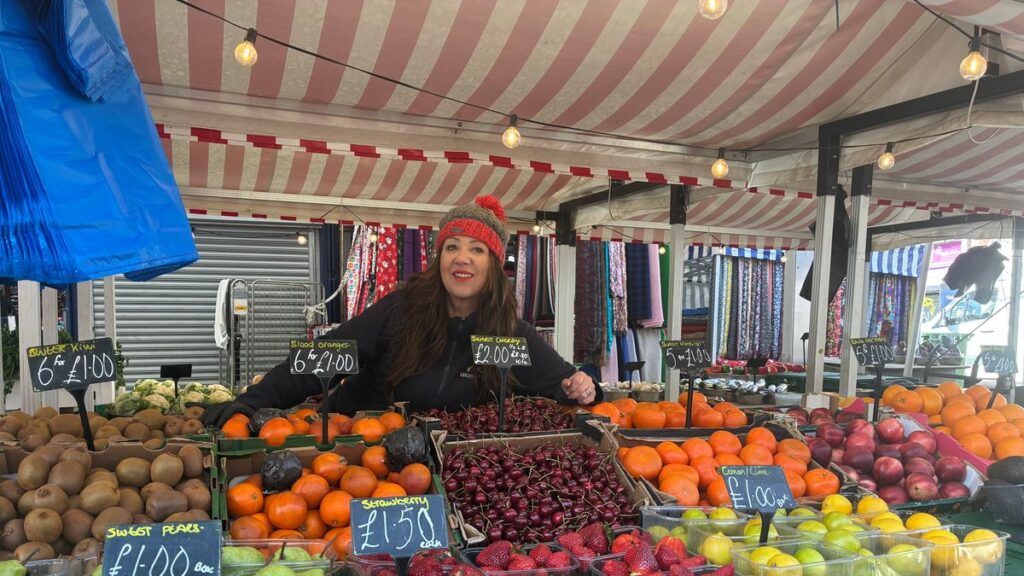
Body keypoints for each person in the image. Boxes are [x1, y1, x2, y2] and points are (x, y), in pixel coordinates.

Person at [203, 195, 599, 426]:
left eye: (476, 249)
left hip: (447, 469)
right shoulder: (401, 309)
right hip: (365, 451)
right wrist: (251, 402)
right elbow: (326, 356)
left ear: (494, 265)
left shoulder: (511, 331)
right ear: (438, 257)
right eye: (452, 246)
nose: (462, 259)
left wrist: (582, 387)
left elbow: (565, 382)